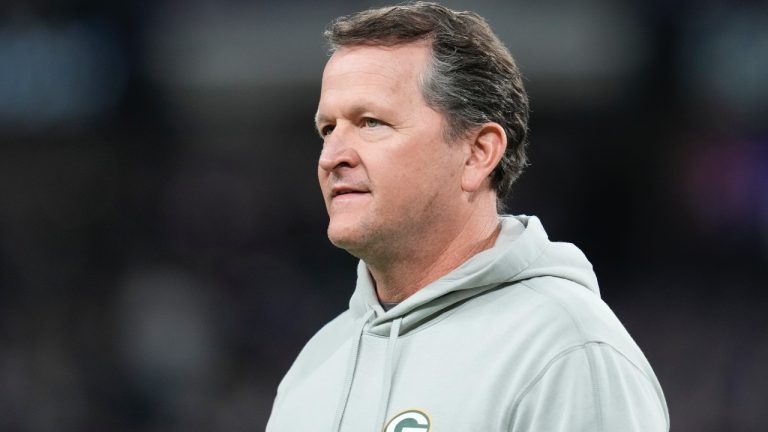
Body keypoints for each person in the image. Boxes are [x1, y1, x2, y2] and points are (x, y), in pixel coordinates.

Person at [266, 2, 669, 431]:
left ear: (478, 153)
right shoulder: (314, 367)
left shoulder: (565, 352)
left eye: (370, 123)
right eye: (328, 129)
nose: (332, 157)